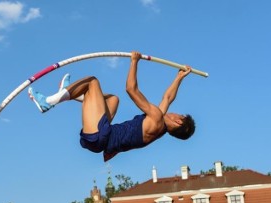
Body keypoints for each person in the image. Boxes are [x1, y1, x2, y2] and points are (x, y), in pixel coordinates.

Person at [28, 51, 196, 162]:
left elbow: (131, 89)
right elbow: (168, 97)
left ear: (179, 122)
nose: (175, 112)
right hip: (102, 139)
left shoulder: (157, 118)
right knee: (113, 100)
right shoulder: (159, 128)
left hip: (100, 135)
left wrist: (134, 62)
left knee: (92, 82)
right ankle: (70, 94)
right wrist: (179, 77)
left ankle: (48, 102)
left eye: (179, 114)